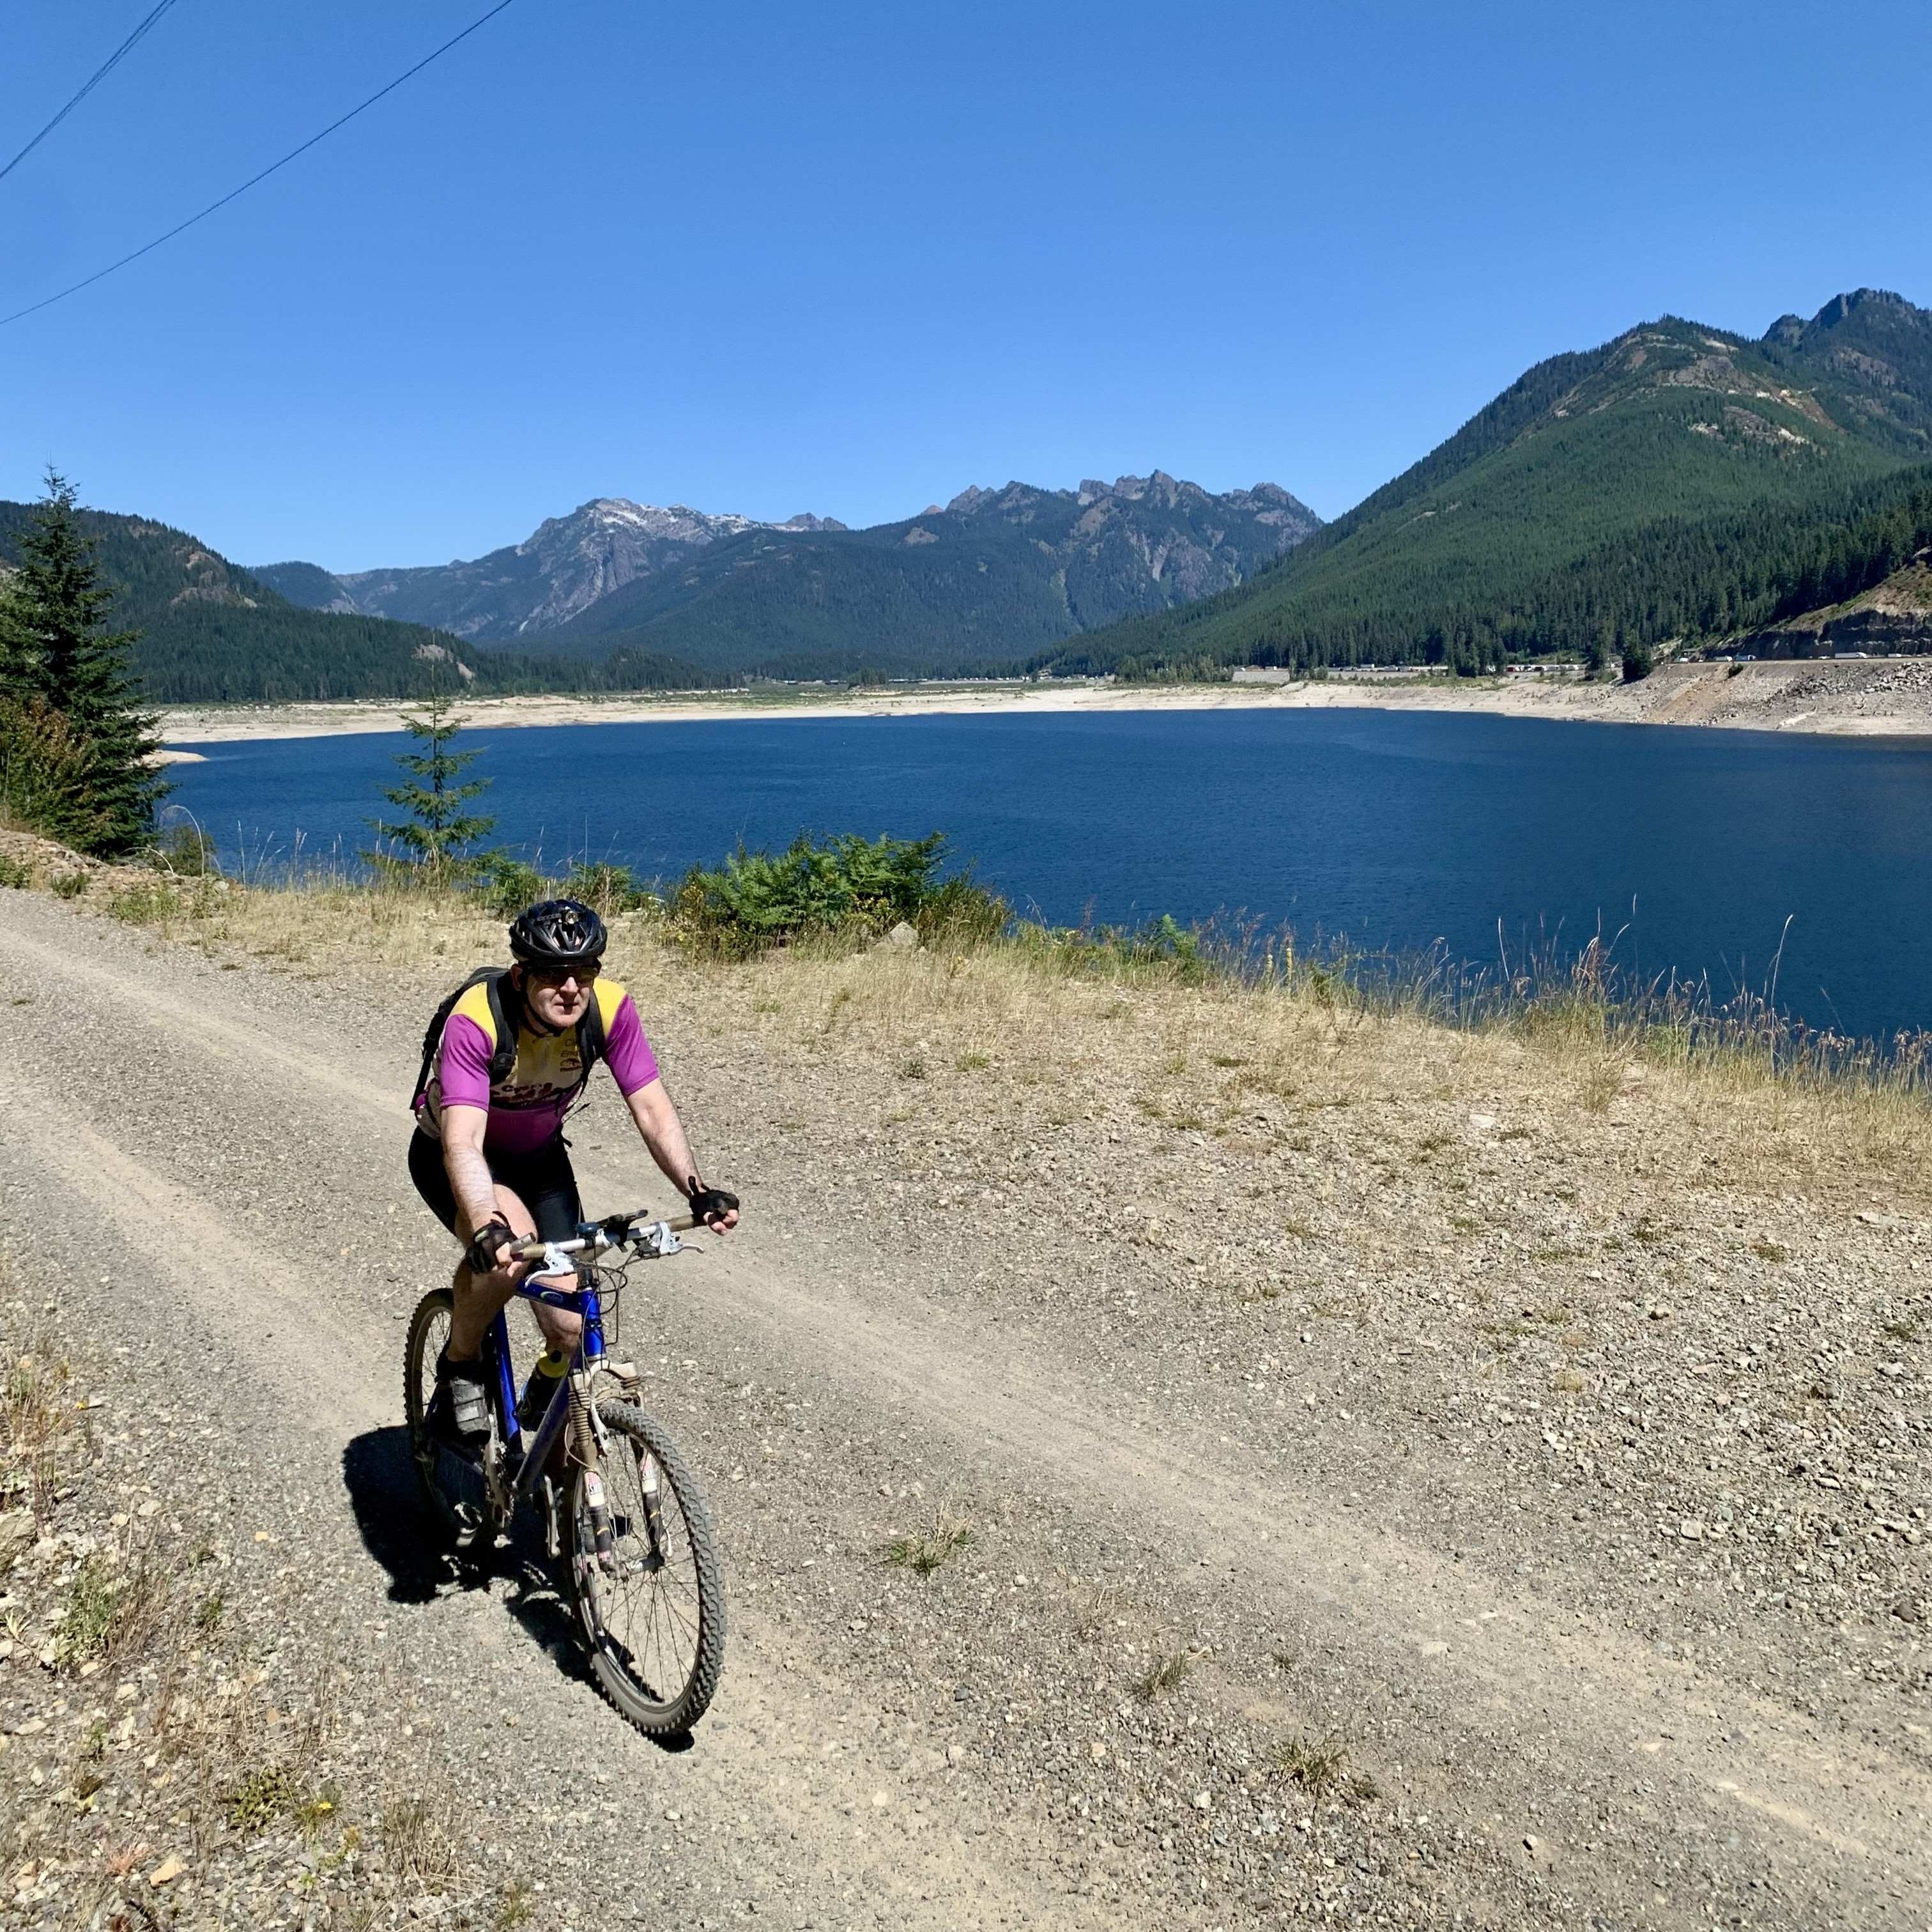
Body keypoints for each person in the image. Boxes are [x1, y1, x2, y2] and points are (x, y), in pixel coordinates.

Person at [410, 897, 738, 1439]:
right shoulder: (478, 1019)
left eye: (584, 972)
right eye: (554, 975)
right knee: (508, 1259)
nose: (571, 988)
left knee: (568, 1324)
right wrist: (486, 1221)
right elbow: (464, 1140)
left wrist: (696, 1190)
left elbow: (652, 1109)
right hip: (457, 1158)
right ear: (521, 976)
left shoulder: (608, 1009)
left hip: (540, 1161)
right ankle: (460, 1365)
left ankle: (553, 1446)